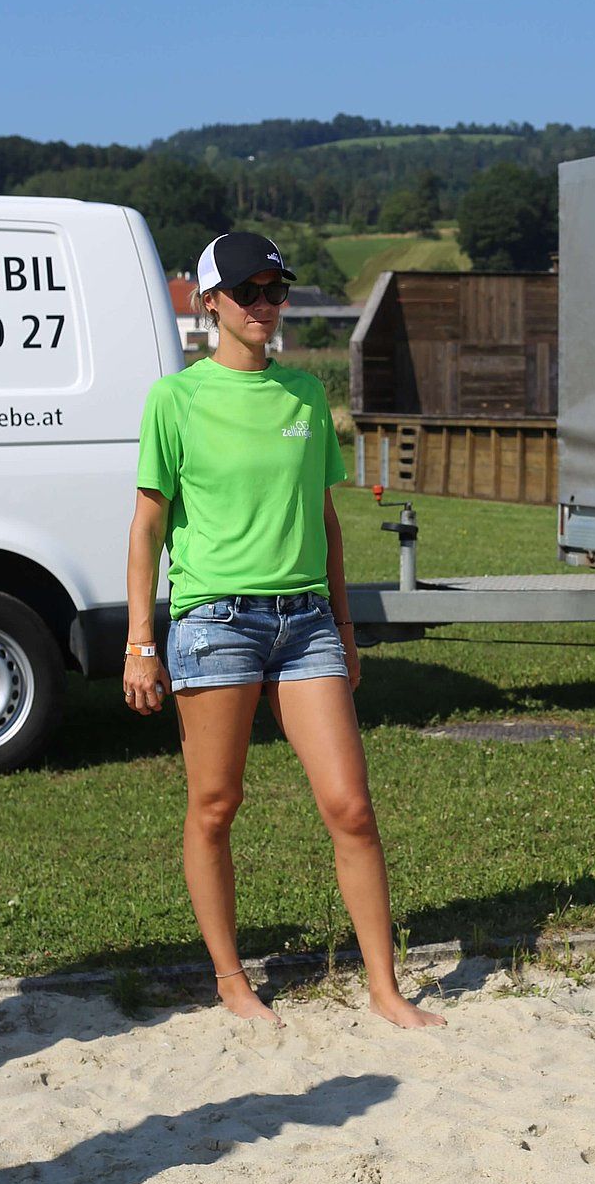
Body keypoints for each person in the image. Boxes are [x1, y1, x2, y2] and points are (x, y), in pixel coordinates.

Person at [123, 228, 443, 1029]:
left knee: (351, 807)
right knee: (216, 805)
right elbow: (148, 528)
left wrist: (343, 624)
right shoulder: (176, 399)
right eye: (249, 292)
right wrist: (140, 641)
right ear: (210, 304)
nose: (267, 305)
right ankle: (231, 980)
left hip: (306, 625)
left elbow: (326, 520)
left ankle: (384, 987)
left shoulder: (304, 396)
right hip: (214, 623)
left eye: (276, 290)